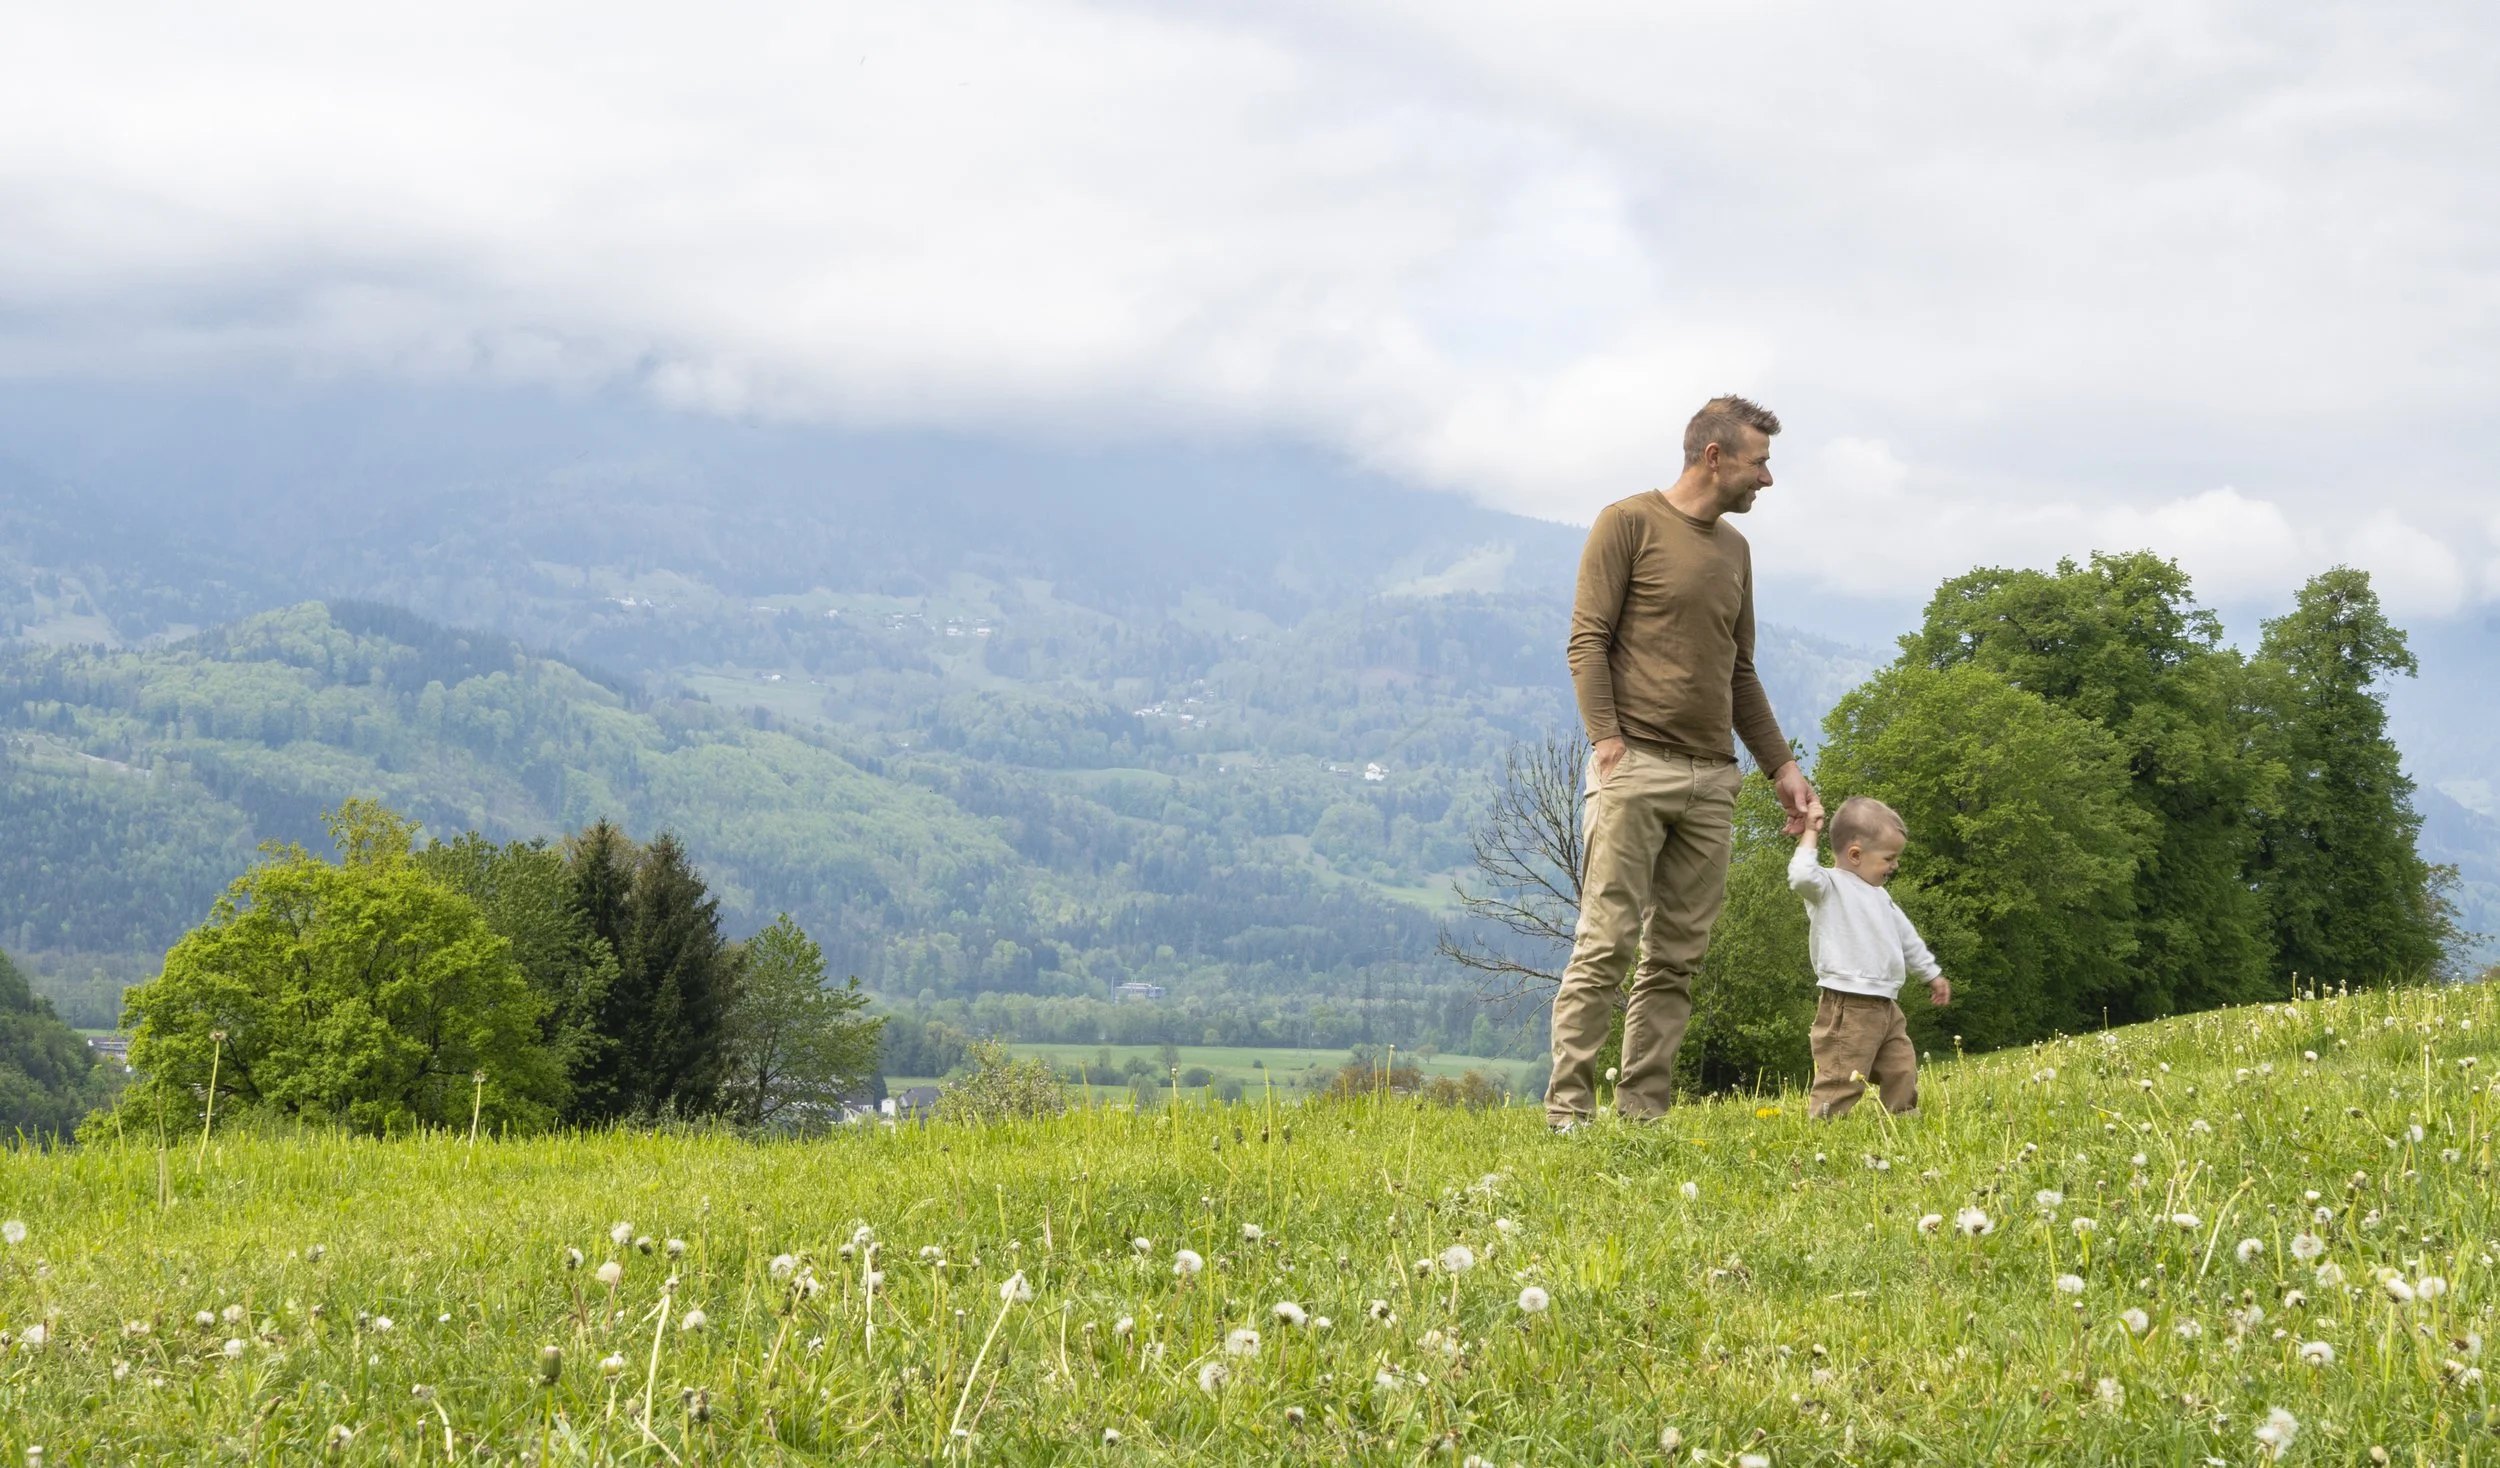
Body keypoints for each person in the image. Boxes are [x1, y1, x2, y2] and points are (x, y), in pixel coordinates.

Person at [1547, 395, 1821, 1129]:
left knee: (1676, 959)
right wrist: (1607, 742)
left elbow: (1740, 672)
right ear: (1714, 457)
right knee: (1605, 944)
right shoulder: (1627, 523)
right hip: (1634, 766)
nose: (1766, 479)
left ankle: (1642, 1115)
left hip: (1711, 778)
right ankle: (1568, 1113)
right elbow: (1587, 641)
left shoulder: (1736, 551)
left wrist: (1781, 770)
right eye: (1759, 463)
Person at [1788, 795, 1950, 1119]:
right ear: (1855, 855)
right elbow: (1801, 876)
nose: (1896, 865)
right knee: (1841, 1075)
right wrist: (1810, 832)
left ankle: (1902, 1115)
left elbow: (1908, 938)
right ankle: (1824, 1127)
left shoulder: (1880, 896)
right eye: (1889, 857)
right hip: (1848, 1004)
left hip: (1886, 1005)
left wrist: (1931, 974)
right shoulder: (1828, 887)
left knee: (1901, 1064)